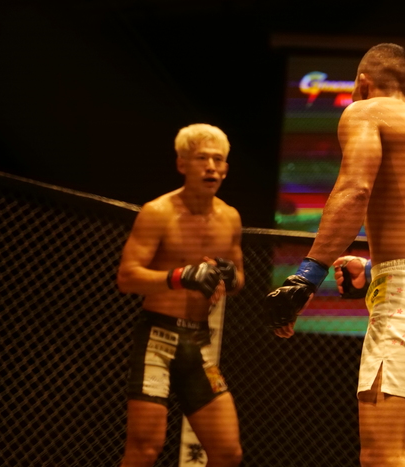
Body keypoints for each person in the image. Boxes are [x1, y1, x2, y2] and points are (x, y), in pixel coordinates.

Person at [264, 43, 405, 467]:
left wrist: (306, 276)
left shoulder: (366, 111)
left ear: (362, 84)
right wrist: (374, 271)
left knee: (382, 458)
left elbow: (355, 190)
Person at [116, 123, 244, 467]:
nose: (211, 167)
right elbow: (127, 277)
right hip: (157, 341)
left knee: (228, 452)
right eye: (202, 158)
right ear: (182, 164)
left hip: (199, 344)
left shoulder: (230, 218)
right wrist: (181, 276)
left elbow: (239, 279)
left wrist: (229, 277)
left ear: (226, 168)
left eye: (218, 159)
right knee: (144, 449)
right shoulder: (158, 212)